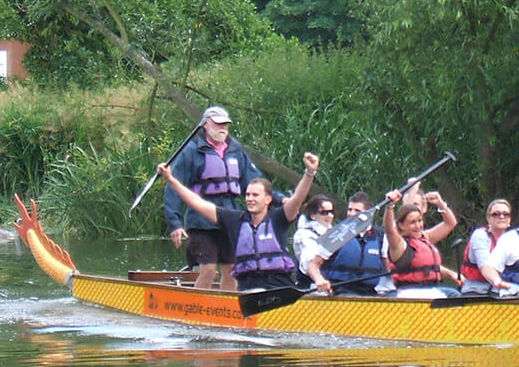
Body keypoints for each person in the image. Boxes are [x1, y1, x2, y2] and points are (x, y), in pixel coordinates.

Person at [157, 152, 319, 292]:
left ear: (268, 199)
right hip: (249, 290)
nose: (249, 199)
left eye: (255, 195)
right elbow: (197, 203)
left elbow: (297, 199)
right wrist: (171, 180)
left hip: (280, 287)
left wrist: (309, 173)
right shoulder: (235, 221)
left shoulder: (279, 218)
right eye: (247, 195)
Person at [164, 106, 272, 291]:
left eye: (226, 125)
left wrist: (277, 199)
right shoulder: (191, 151)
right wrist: (175, 223)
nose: (223, 128)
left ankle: (226, 309)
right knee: (209, 270)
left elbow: (255, 182)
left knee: (232, 269)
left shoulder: (236, 151)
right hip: (200, 220)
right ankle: (196, 308)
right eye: (218, 124)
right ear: (206, 125)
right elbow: (174, 186)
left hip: (229, 217)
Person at [294, 192, 388, 295]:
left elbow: (388, 267)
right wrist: (319, 279)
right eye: (350, 209)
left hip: (369, 293)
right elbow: (313, 265)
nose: (351, 214)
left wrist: (390, 207)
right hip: (340, 292)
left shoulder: (379, 236)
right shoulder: (337, 233)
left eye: (357, 211)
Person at [383, 188, 460, 297]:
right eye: (412, 222)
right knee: (452, 295)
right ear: (401, 225)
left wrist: (440, 203)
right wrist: (390, 206)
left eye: (419, 221)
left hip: (432, 288)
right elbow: (389, 229)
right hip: (410, 292)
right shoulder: (399, 245)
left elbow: (450, 223)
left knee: (454, 294)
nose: (418, 226)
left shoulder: (425, 238)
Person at [460, 198, 514, 295]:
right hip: (477, 290)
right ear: (488, 218)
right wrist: (497, 282)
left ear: (509, 219)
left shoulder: (513, 239)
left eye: (506, 214)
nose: (501, 217)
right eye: (496, 214)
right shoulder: (480, 235)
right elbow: (484, 266)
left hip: (503, 291)